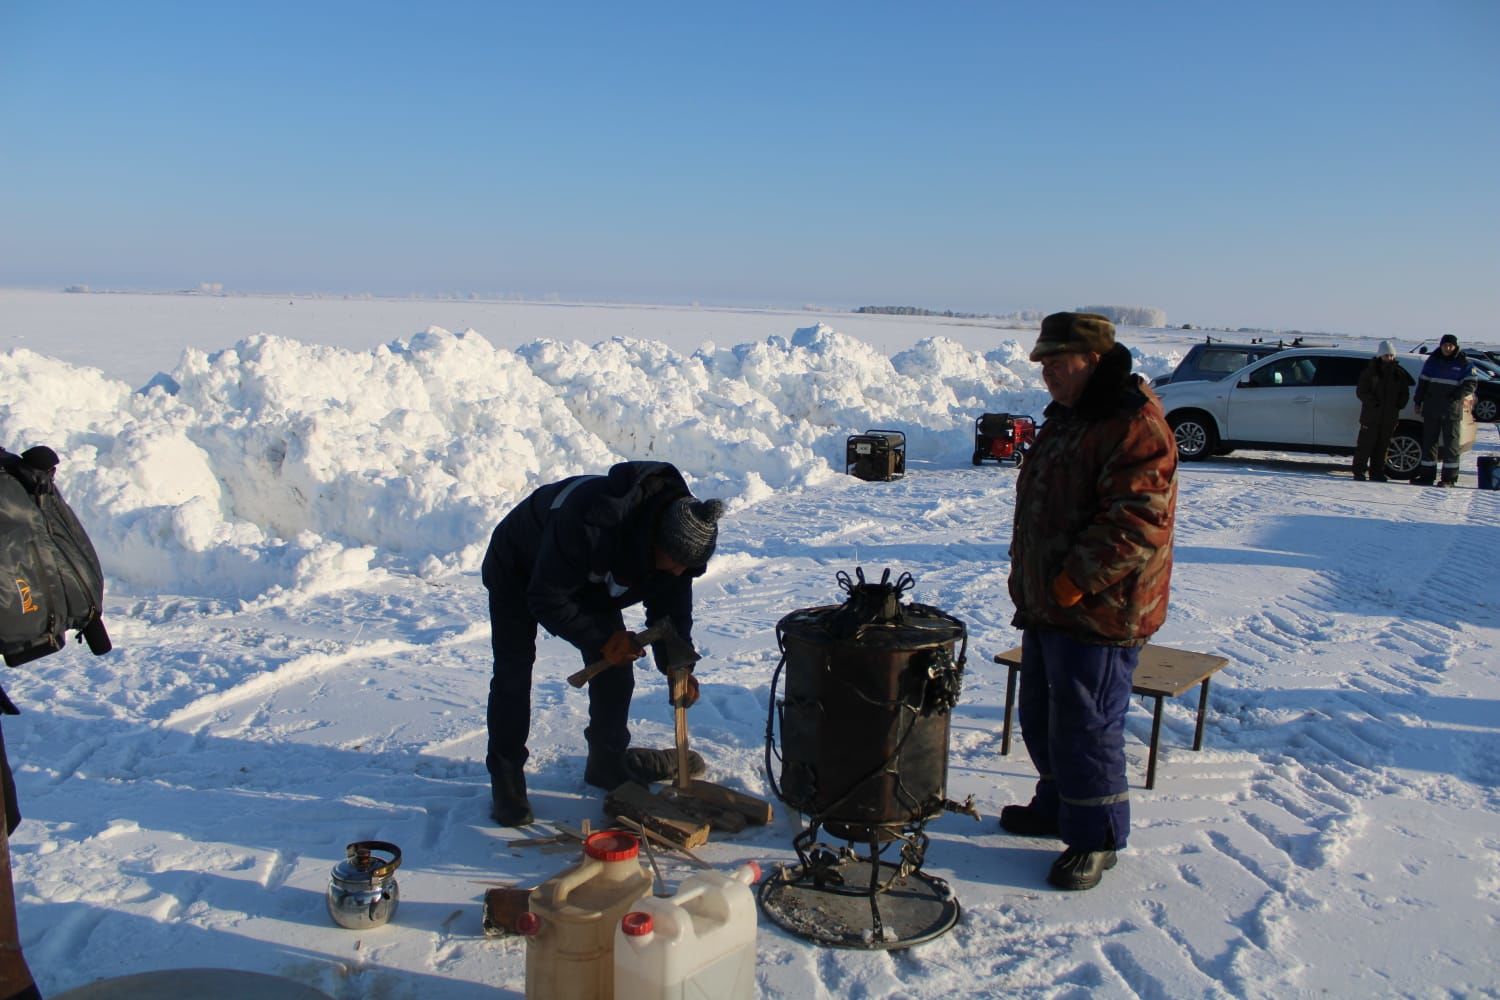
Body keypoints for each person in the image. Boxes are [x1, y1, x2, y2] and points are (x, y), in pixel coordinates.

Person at [1003, 312, 1178, 891]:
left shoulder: (1133, 424)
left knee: (1086, 724)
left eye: (1058, 361)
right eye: (1043, 362)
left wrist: (1076, 579)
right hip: (1052, 603)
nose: (1047, 372)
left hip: (1101, 608)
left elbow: (1137, 520)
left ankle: (1096, 837)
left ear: (1094, 361)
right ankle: (1058, 803)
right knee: (1042, 715)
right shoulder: (1072, 416)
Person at [480, 460, 724, 826]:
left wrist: (678, 665)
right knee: (513, 672)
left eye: (686, 568)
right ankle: (506, 777)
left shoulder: (677, 548)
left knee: (617, 667)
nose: (678, 573)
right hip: (520, 562)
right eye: (675, 563)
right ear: (656, 539)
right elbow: (546, 597)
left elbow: (670, 612)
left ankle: (605, 763)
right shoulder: (593, 521)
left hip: (592, 576)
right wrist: (600, 638)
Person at [1412, 334, 1477, 486]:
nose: (1447, 348)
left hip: (1451, 410)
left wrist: (1456, 395)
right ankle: (1427, 476)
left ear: (1455, 346)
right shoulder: (1433, 361)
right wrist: (1418, 401)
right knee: (1429, 443)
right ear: (1441, 345)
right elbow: (1423, 383)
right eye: (1445, 345)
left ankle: (1449, 479)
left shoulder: (1464, 363)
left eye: (1450, 346)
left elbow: (1471, 384)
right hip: (1431, 408)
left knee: (1451, 445)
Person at [1352, 340, 1414, 482]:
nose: (1389, 358)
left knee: (1382, 447)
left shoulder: (1399, 373)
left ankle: (1377, 472)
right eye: (1386, 355)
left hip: (1390, 417)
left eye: (1391, 355)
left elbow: (1405, 393)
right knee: (1365, 445)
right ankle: (1359, 471)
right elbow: (1361, 391)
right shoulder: (1371, 371)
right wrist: (1373, 403)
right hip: (1371, 416)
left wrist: (1399, 404)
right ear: (1380, 355)